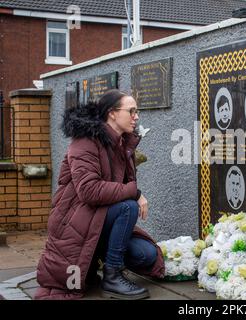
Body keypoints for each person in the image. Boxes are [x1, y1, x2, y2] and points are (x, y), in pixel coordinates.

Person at [35, 89, 165, 300]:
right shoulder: (85, 141)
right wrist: (135, 193)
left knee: (146, 256)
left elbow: (116, 188)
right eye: (131, 111)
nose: (137, 116)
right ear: (112, 113)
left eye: (137, 111)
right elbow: (89, 191)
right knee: (128, 207)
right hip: (75, 220)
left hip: (99, 218)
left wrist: (133, 192)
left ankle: (95, 255)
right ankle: (112, 276)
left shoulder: (123, 144)